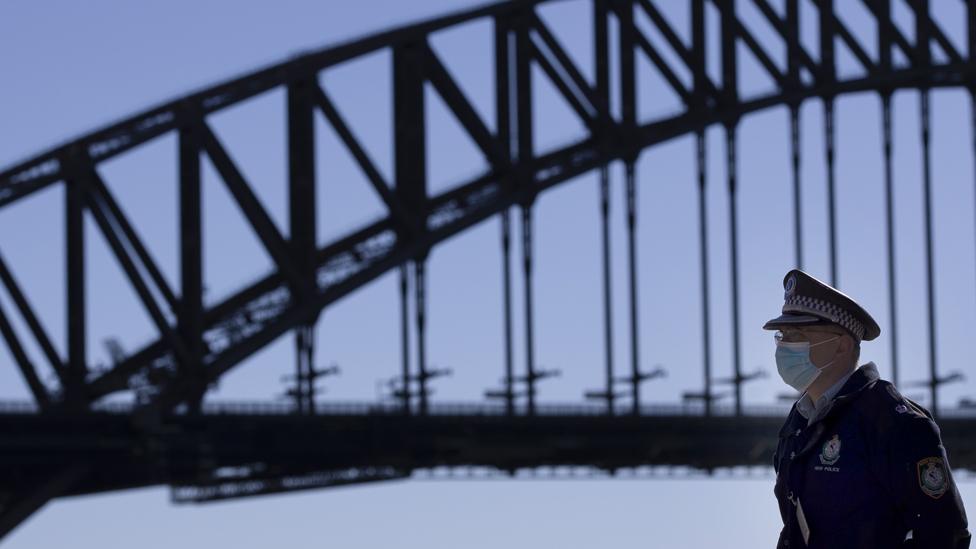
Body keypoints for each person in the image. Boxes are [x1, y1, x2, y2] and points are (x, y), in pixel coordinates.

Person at [764, 269, 970, 548]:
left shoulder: (895, 423)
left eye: (797, 333)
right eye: (782, 335)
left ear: (842, 346)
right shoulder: (798, 423)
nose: (784, 345)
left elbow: (945, 532)